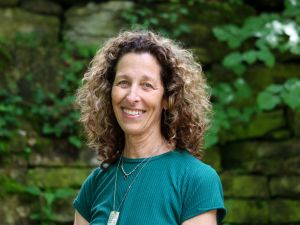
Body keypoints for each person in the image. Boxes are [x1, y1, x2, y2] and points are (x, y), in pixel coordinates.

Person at [73, 30, 226, 225]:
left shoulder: (196, 180)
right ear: (108, 91)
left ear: (168, 98)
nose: (132, 96)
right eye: (123, 83)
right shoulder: (95, 184)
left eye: (147, 85)